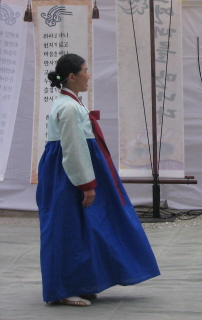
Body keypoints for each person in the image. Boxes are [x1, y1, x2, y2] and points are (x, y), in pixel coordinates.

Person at [37, 54, 160, 306]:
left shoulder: (70, 103)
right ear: (72, 77)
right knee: (68, 227)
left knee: (83, 227)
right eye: (84, 70)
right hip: (69, 175)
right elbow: (72, 149)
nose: (88, 75)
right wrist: (86, 185)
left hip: (73, 171)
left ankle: (81, 281)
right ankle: (64, 287)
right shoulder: (69, 107)